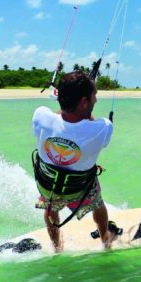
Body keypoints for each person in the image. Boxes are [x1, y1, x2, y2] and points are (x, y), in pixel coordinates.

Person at [32, 71, 114, 252]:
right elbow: (90, 125)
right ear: (84, 102)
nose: (96, 100)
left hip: (48, 186)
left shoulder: (41, 115)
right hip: (80, 191)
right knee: (98, 203)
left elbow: (58, 119)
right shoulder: (103, 128)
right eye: (95, 95)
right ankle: (105, 239)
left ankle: (56, 247)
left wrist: (65, 105)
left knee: (50, 203)